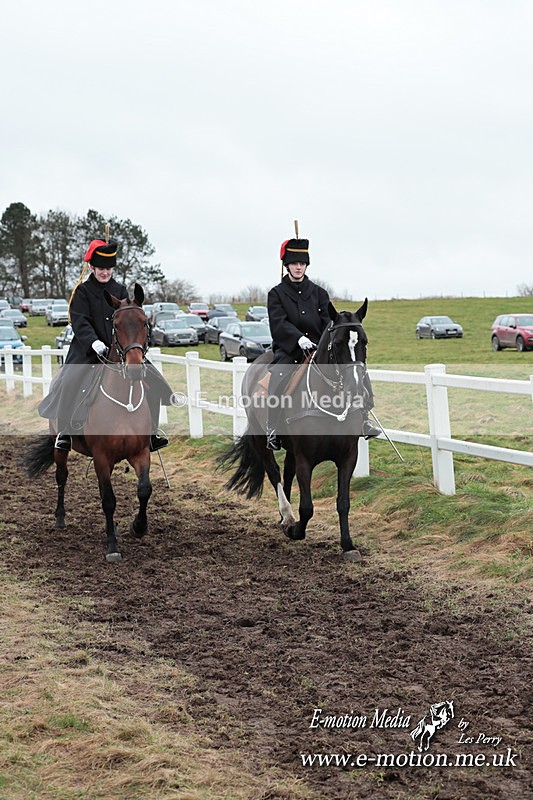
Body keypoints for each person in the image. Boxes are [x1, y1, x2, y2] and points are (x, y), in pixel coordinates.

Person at [38, 238, 170, 452]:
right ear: (92, 267)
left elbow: (129, 319)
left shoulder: (120, 290)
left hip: (120, 350)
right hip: (88, 350)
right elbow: (80, 321)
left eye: (108, 268)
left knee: (154, 380)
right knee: (69, 380)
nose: (105, 272)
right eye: (100, 268)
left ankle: (152, 432)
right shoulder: (83, 291)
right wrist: (94, 342)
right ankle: (64, 433)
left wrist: (132, 343)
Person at [266, 234, 380, 450]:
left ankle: (363, 419)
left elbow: (330, 321)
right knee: (277, 380)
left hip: (321, 348)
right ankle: (273, 429)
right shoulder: (276, 294)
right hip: (291, 351)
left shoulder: (319, 293)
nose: (298, 267)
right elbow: (278, 324)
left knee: (357, 372)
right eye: (294, 263)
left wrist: (323, 341)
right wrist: (298, 339)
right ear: (286, 265)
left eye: (302, 263)